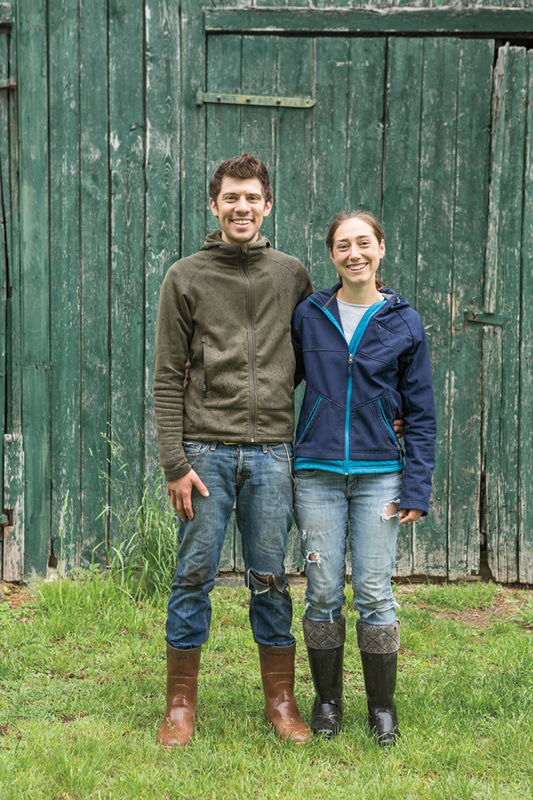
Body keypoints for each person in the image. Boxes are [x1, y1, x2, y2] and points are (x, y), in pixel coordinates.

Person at [153, 154, 314, 747]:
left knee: (270, 578)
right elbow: (168, 376)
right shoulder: (186, 277)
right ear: (214, 205)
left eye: (252, 198)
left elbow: (312, 356)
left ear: (267, 205)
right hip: (204, 455)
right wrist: (176, 462)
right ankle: (179, 708)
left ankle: (281, 701)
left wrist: (272, 390)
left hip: (273, 455)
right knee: (194, 575)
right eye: (231, 198)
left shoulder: (291, 274)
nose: (241, 208)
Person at [291, 210, 436, 745]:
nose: (354, 254)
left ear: (380, 248)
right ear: (332, 256)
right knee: (323, 589)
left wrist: (416, 484)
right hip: (317, 473)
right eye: (342, 246)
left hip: (381, 475)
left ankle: (382, 707)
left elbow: (420, 412)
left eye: (363, 244)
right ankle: (327, 703)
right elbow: (278, 375)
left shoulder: (405, 322)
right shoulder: (309, 315)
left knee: (375, 590)